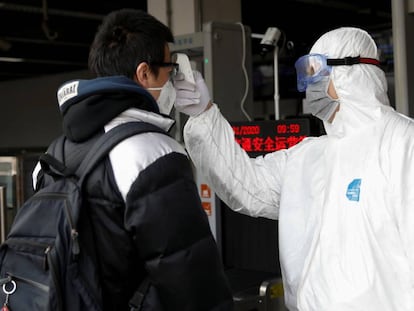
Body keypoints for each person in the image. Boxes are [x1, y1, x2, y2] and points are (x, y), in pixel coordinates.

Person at [173, 27, 414, 310]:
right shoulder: (308, 156)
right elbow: (246, 185)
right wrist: (204, 115)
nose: (309, 85)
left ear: (350, 73)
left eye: (316, 72)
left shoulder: (402, 143)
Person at [32, 8, 234, 311]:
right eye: (170, 70)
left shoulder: (51, 156)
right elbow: (191, 279)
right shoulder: (153, 152)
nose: (174, 81)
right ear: (144, 73)